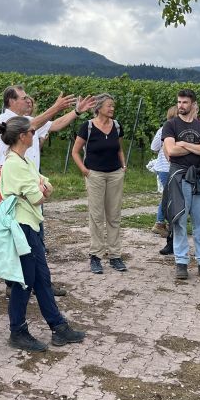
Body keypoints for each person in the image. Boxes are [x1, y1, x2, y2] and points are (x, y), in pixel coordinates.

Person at [0, 116, 85, 352]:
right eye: (31, 132)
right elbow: (38, 196)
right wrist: (40, 190)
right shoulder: (14, 164)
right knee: (24, 281)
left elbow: (45, 184)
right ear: (22, 136)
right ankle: (17, 331)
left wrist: (40, 188)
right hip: (22, 227)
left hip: (31, 225)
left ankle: (58, 327)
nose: (34, 135)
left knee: (42, 279)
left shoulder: (23, 160)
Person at [162, 89, 200, 282]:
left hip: (199, 177)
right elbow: (171, 151)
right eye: (179, 102)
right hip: (179, 177)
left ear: (193, 104)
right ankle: (181, 262)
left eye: (185, 102)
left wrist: (184, 144)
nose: (181, 105)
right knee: (179, 220)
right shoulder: (170, 125)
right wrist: (195, 148)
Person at [71, 94, 127, 274]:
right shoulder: (87, 127)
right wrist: (84, 170)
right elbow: (75, 152)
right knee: (96, 216)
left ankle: (115, 255)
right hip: (94, 175)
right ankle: (96, 255)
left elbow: (119, 148)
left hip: (115, 174)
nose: (112, 109)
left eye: (113, 106)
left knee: (114, 215)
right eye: (109, 106)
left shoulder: (116, 126)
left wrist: (123, 166)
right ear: (99, 107)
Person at [0, 85, 95, 169]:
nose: (28, 101)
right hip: (14, 175)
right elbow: (29, 126)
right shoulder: (2, 121)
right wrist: (56, 108)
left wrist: (77, 111)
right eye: (24, 98)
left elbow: (55, 125)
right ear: (12, 101)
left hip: (29, 175)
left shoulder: (28, 119)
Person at [150, 105, 176, 237]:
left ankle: (166, 222)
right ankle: (160, 222)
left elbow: (154, 147)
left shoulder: (164, 129)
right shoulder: (165, 130)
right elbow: (154, 147)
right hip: (166, 168)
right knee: (170, 195)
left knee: (170, 195)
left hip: (167, 168)